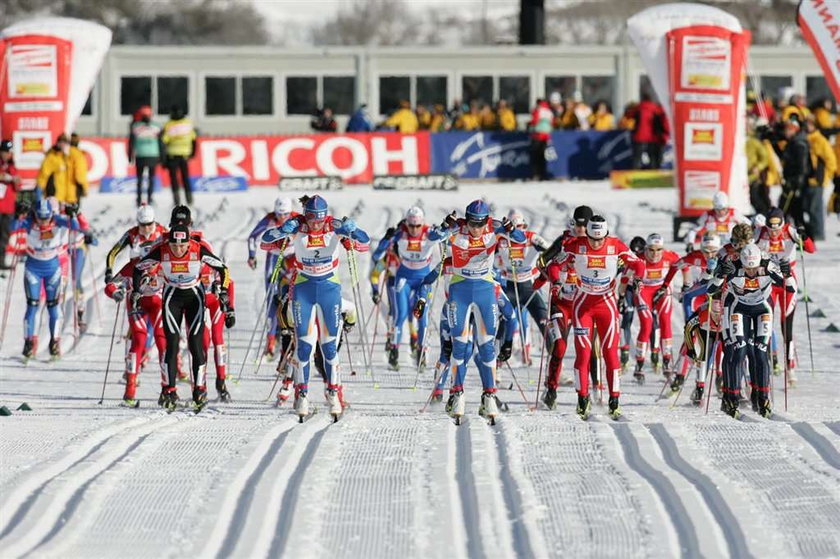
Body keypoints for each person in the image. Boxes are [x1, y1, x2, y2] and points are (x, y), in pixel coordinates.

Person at [260, 195, 369, 421]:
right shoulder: (298, 225)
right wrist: (282, 230)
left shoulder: (333, 225)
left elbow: (364, 244)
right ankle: (302, 394)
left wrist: (353, 230)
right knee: (304, 348)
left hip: (330, 290)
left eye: (319, 221)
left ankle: (333, 392)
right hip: (304, 290)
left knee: (329, 349)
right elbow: (264, 242)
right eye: (311, 221)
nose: (315, 226)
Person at [436, 200, 525, 423]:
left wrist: (511, 229)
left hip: (486, 291)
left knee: (486, 347)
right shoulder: (457, 227)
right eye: (472, 223)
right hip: (460, 291)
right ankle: (457, 395)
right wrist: (443, 227)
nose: (476, 228)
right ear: (466, 219)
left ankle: (489, 398)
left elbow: (521, 240)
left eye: (480, 223)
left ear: (486, 220)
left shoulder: (494, 226)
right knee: (460, 346)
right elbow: (432, 238)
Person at [551, 215, 645, 419]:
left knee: (610, 354)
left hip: (607, 305)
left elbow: (639, 264)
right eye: (593, 239)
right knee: (583, 354)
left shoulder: (615, 245)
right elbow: (554, 265)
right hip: (583, 304)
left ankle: (614, 400)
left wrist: (636, 280)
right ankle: (582, 399)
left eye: (600, 239)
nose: (596, 243)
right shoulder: (576, 245)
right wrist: (557, 282)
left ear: (606, 235)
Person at [134, 225, 233, 411]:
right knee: (171, 346)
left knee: (196, 344)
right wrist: (137, 290)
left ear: (189, 243)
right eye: (174, 246)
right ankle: (169, 390)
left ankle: (200, 389)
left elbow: (223, 269)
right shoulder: (161, 251)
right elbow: (139, 268)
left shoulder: (198, 250)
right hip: (172, 297)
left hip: (195, 297)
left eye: (182, 246)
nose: (178, 250)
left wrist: (225, 291)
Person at [709, 243, 790, 418]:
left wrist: (787, 274)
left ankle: (762, 398)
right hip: (739, 309)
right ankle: (731, 398)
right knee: (738, 351)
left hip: (763, 309)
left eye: (754, 268)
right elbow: (710, 289)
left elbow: (789, 288)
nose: (751, 273)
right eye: (747, 268)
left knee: (760, 353)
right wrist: (720, 274)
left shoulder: (768, 266)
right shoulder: (734, 267)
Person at [371, 206, 448, 370]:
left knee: (421, 316)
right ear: (407, 223)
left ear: (422, 223)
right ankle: (394, 351)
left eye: (417, 226)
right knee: (400, 315)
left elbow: (445, 236)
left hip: (422, 282)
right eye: (411, 226)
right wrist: (386, 239)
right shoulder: (401, 232)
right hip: (403, 280)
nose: (414, 230)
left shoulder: (429, 232)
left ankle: (420, 352)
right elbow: (376, 256)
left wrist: (446, 227)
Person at [13, 199, 81, 360]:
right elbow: (13, 228)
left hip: (52, 269)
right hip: (33, 269)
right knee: (32, 306)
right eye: (40, 217)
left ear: (52, 214)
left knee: (53, 307)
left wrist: (74, 215)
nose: (43, 221)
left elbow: (77, 228)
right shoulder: (30, 222)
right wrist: (18, 214)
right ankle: (29, 343)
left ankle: (54, 343)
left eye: (46, 217)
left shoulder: (57, 221)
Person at [755, 207, 815, 382]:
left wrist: (804, 237)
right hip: (768, 284)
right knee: (766, 324)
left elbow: (811, 249)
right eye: (771, 227)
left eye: (777, 227)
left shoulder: (790, 231)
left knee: (786, 327)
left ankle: (790, 368)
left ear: (782, 223)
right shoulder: (760, 232)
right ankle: (764, 364)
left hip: (788, 284)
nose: (774, 231)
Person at [104, 241, 167, 407]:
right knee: (138, 341)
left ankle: (167, 389)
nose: (147, 265)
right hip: (136, 304)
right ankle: (129, 391)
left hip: (156, 304)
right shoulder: (131, 267)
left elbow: (179, 282)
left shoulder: (163, 267)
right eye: (144, 260)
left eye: (151, 261)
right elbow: (110, 285)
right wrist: (115, 293)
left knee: (162, 342)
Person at [247, 197, 299, 358]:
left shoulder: (297, 218)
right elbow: (252, 237)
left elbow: (309, 234)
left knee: (295, 295)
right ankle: (270, 339)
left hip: (293, 258)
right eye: (279, 214)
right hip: (274, 259)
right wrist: (252, 256)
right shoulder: (269, 219)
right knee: (272, 296)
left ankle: (296, 333)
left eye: (285, 214)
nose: (282, 218)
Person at [496, 209, 549, 365]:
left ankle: (528, 353)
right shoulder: (502, 240)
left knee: (531, 319)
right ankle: (498, 364)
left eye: (520, 226)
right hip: (509, 284)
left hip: (529, 284)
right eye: (514, 226)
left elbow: (550, 249)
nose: (518, 230)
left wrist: (545, 261)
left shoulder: (530, 237)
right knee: (505, 321)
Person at [630, 233, 681, 380]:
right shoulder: (639, 258)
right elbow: (626, 273)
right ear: (646, 248)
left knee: (665, 321)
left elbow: (684, 266)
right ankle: (640, 363)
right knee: (646, 324)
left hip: (661, 290)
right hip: (643, 291)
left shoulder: (670, 256)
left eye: (658, 250)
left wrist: (686, 283)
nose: (655, 254)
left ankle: (666, 360)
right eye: (651, 250)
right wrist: (622, 295)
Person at [685, 191, 750, 250]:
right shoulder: (708, 216)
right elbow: (693, 230)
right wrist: (690, 243)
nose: (721, 212)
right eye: (718, 210)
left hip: (731, 248)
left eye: (723, 209)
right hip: (712, 250)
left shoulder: (734, 214)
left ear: (727, 207)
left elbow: (748, 225)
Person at [804, 118, 835, 241]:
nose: (807, 127)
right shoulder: (806, 139)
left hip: (817, 180)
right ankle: (813, 232)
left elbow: (830, 160)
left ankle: (818, 234)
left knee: (815, 208)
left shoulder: (820, 140)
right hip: (807, 180)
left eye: (809, 125)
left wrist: (825, 177)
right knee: (808, 207)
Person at [778, 119, 811, 229]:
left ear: (794, 130)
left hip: (795, 184)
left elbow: (802, 166)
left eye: (788, 130)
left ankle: (807, 239)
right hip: (790, 182)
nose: (786, 132)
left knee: (789, 211)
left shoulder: (799, 144)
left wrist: (796, 182)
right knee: (791, 212)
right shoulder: (792, 142)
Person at [128, 105, 164, 207]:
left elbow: (131, 143)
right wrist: (162, 156)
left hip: (140, 155)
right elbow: (161, 143)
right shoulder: (157, 126)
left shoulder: (135, 127)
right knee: (151, 178)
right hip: (153, 155)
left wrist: (130, 155)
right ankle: (150, 198)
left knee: (139, 179)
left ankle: (139, 199)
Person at [162, 105, 197, 206]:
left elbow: (164, 141)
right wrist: (193, 153)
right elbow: (194, 139)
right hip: (185, 155)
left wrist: (163, 159)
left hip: (172, 155)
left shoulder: (168, 125)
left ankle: (176, 200)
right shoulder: (187, 123)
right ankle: (189, 199)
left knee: (174, 179)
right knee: (185, 177)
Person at [631, 93, 668, 169]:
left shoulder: (638, 108)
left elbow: (629, 116)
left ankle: (635, 172)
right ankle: (654, 173)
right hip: (653, 137)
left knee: (637, 157)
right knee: (653, 157)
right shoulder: (656, 109)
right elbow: (663, 122)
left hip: (639, 136)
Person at [0, 140, 21, 270]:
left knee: (4, 235)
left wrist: (15, 180)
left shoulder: (12, 166)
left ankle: (1, 261)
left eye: (9, 152)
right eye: (5, 152)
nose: (7, 154)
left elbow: (18, 185)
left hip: (8, 207)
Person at [36, 133, 71, 202]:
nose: (63, 145)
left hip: (63, 196)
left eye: (65, 143)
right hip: (53, 195)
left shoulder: (64, 157)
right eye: (62, 142)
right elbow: (43, 174)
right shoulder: (51, 157)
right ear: (58, 143)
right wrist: (39, 188)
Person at [746, 117, 771, 214]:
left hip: (752, 177)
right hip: (739, 178)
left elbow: (764, 158)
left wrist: (758, 167)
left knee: (756, 200)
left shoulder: (754, 142)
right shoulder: (737, 140)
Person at [528, 98, 553, 181]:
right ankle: (543, 174)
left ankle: (536, 174)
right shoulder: (549, 111)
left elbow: (534, 122)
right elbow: (552, 123)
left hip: (537, 136)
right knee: (543, 157)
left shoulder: (538, 111)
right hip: (546, 137)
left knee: (536, 157)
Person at [68, 133, 89, 206]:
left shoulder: (63, 153)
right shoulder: (78, 154)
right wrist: (84, 187)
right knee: (74, 212)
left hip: (62, 190)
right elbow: (79, 174)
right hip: (74, 189)